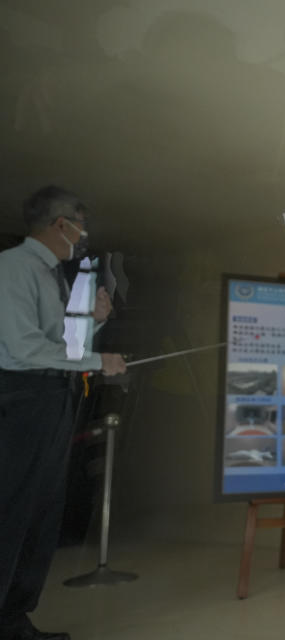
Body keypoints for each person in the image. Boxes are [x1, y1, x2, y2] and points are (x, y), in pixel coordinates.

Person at [0, 186, 127, 640]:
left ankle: (14, 620)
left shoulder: (48, 272)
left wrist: (95, 320)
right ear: (61, 225)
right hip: (22, 398)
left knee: (40, 512)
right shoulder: (13, 267)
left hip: (51, 396)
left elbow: (59, 346)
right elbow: (23, 348)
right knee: (13, 511)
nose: (83, 234)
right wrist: (99, 361)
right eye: (80, 224)